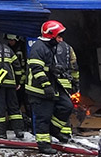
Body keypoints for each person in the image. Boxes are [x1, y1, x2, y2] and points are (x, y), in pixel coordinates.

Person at [26, 20, 74, 155]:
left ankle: (54, 130)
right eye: (59, 36)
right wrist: (46, 86)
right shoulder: (38, 47)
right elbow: (36, 68)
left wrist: (54, 69)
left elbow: (45, 66)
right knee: (43, 117)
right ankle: (43, 144)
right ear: (50, 35)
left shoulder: (49, 47)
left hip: (51, 85)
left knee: (67, 106)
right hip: (38, 89)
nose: (61, 40)